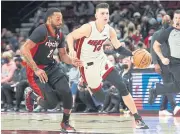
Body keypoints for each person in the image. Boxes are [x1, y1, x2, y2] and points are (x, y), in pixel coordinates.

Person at [66, 3, 148, 129]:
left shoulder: (109, 30)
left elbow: (119, 48)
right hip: (87, 65)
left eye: (107, 13)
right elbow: (70, 36)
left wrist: (132, 53)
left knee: (121, 86)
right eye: (102, 13)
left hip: (101, 59)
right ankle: (84, 83)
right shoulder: (88, 28)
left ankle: (138, 118)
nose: (105, 16)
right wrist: (71, 49)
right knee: (101, 98)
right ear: (96, 16)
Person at [20, 8, 82, 132]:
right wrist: (36, 69)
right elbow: (24, 49)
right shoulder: (41, 30)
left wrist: (72, 61)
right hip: (36, 71)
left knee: (67, 92)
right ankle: (31, 94)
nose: (61, 20)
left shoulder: (60, 34)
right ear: (49, 19)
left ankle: (65, 123)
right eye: (57, 18)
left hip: (52, 67)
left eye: (61, 18)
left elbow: (63, 56)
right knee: (52, 104)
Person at [148, 10, 180, 114]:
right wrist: (157, 62)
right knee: (170, 83)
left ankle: (161, 103)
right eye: (164, 18)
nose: (166, 20)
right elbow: (153, 48)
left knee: (174, 86)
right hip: (167, 62)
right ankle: (174, 106)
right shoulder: (160, 33)